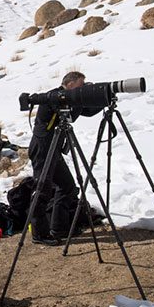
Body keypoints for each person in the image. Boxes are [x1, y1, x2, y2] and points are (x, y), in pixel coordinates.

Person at [26, 71, 101, 245]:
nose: (82, 88)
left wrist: (103, 99)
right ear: (70, 84)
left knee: (67, 187)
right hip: (43, 149)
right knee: (42, 189)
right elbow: (68, 112)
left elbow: (87, 111)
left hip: (54, 150)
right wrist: (81, 97)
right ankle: (39, 233)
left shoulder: (68, 99)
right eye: (81, 85)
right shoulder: (54, 97)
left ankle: (59, 228)